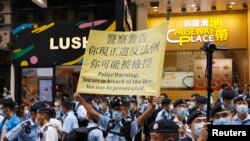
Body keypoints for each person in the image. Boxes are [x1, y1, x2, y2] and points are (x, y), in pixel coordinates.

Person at [74, 93, 156, 141]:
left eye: (119, 109)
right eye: (114, 109)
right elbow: (92, 113)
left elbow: (142, 119)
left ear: (127, 111)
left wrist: (152, 106)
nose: (116, 111)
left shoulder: (129, 126)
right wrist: (80, 99)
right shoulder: (109, 122)